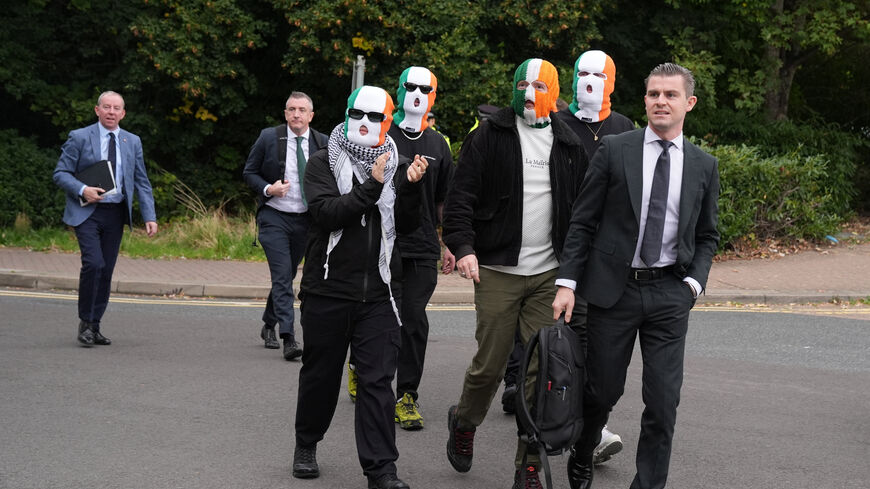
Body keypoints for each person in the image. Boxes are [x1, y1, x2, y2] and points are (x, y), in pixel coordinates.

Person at [552, 62, 720, 489]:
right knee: (601, 392)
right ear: (645, 100)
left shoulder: (703, 165)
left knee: (663, 403)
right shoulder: (616, 149)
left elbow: (707, 235)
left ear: (689, 103)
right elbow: (583, 220)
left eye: (670, 95)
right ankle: (585, 445)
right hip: (615, 290)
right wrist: (567, 283)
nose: (661, 101)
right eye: (654, 94)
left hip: (670, 293)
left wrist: (693, 284)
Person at [442, 58, 587, 489]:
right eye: (523, 84)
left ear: (555, 94)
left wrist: (572, 275)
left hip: (548, 275)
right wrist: (463, 248)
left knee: (540, 372)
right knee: (490, 366)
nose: (529, 92)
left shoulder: (570, 143)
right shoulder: (489, 135)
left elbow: (582, 215)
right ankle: (465, 421)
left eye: (539, 86)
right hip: (496, 270)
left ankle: (529, 464)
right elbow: (460, 198)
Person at [291, 85, 427, 489]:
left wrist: (411, 187)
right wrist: (372, 186)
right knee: (321, 377)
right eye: (358, 115)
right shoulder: (322, 161)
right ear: (347, 114)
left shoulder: (395, 163)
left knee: (377, 383)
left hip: (380, 294)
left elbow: (406, 225)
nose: (365, 123)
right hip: (328, 291)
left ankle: (381, 470)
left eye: (375, 117)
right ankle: (306, 442)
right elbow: (327, 213)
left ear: (388, 122)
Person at [53, 91, 158, 347]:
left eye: (116, 108)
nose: (111, 112)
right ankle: (85, 322)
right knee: (94, 264)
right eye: (107, 107)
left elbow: (142, 181)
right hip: (87, 212)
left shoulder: (132, 141)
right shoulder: (79, 137)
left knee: (106, 270)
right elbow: (61, 173)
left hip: (115, 213)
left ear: (123, 113)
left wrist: (150, 216)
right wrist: (82, 189)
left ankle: (95, 325)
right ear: (97, 110)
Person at [388, 66, 456, 430]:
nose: (417, 94)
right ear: (399, 91)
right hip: (383, 244)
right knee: (382, 317)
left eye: (425, 89)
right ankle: (361, 367)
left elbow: (445, 200)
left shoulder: (439, 145)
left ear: (433, 96)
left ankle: (406, 396)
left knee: (413, 318)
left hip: (423, 246)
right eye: (410, 87)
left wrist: (451, 244)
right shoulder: (382, 134)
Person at [243, 91, 329, 361]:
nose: (296, 114)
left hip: (305, 220)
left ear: (310, 116)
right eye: (291, 109)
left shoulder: (322, 142)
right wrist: (269, 188)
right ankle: (289, 338)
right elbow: (249, 172)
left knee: (288, 274)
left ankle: (269, 323)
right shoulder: (269, 137)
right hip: (274, 217)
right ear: (285, 113)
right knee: (282, 276)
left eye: (301, 110)